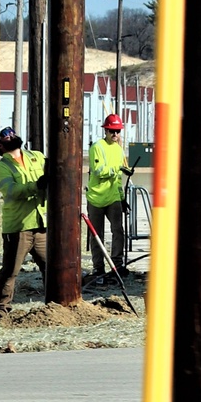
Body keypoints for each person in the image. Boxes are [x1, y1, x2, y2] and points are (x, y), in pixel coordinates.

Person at [0, 127, 48, 321]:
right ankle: (1, 311)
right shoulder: (1, 168)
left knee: (50, 267)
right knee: (11, 270)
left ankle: (54, 306)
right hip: (18, 226)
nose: (10, 135)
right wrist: (37, 185)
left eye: (12, 132)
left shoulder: (37, 157)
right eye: (5, 135)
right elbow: (12, 191)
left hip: (40, 223)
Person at [86, 113, 132, 281]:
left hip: (113, 197)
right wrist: (116, 169)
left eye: (118, 131)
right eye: (112, 131)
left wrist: (121, 198)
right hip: (96, 198)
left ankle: (117, 265)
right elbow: (98, 171)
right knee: (97, 235)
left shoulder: (119, 149)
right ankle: (99, 268)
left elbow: (118, 179)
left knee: (118, 231)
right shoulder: (97, 147)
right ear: (105, 131)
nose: (115, 135)